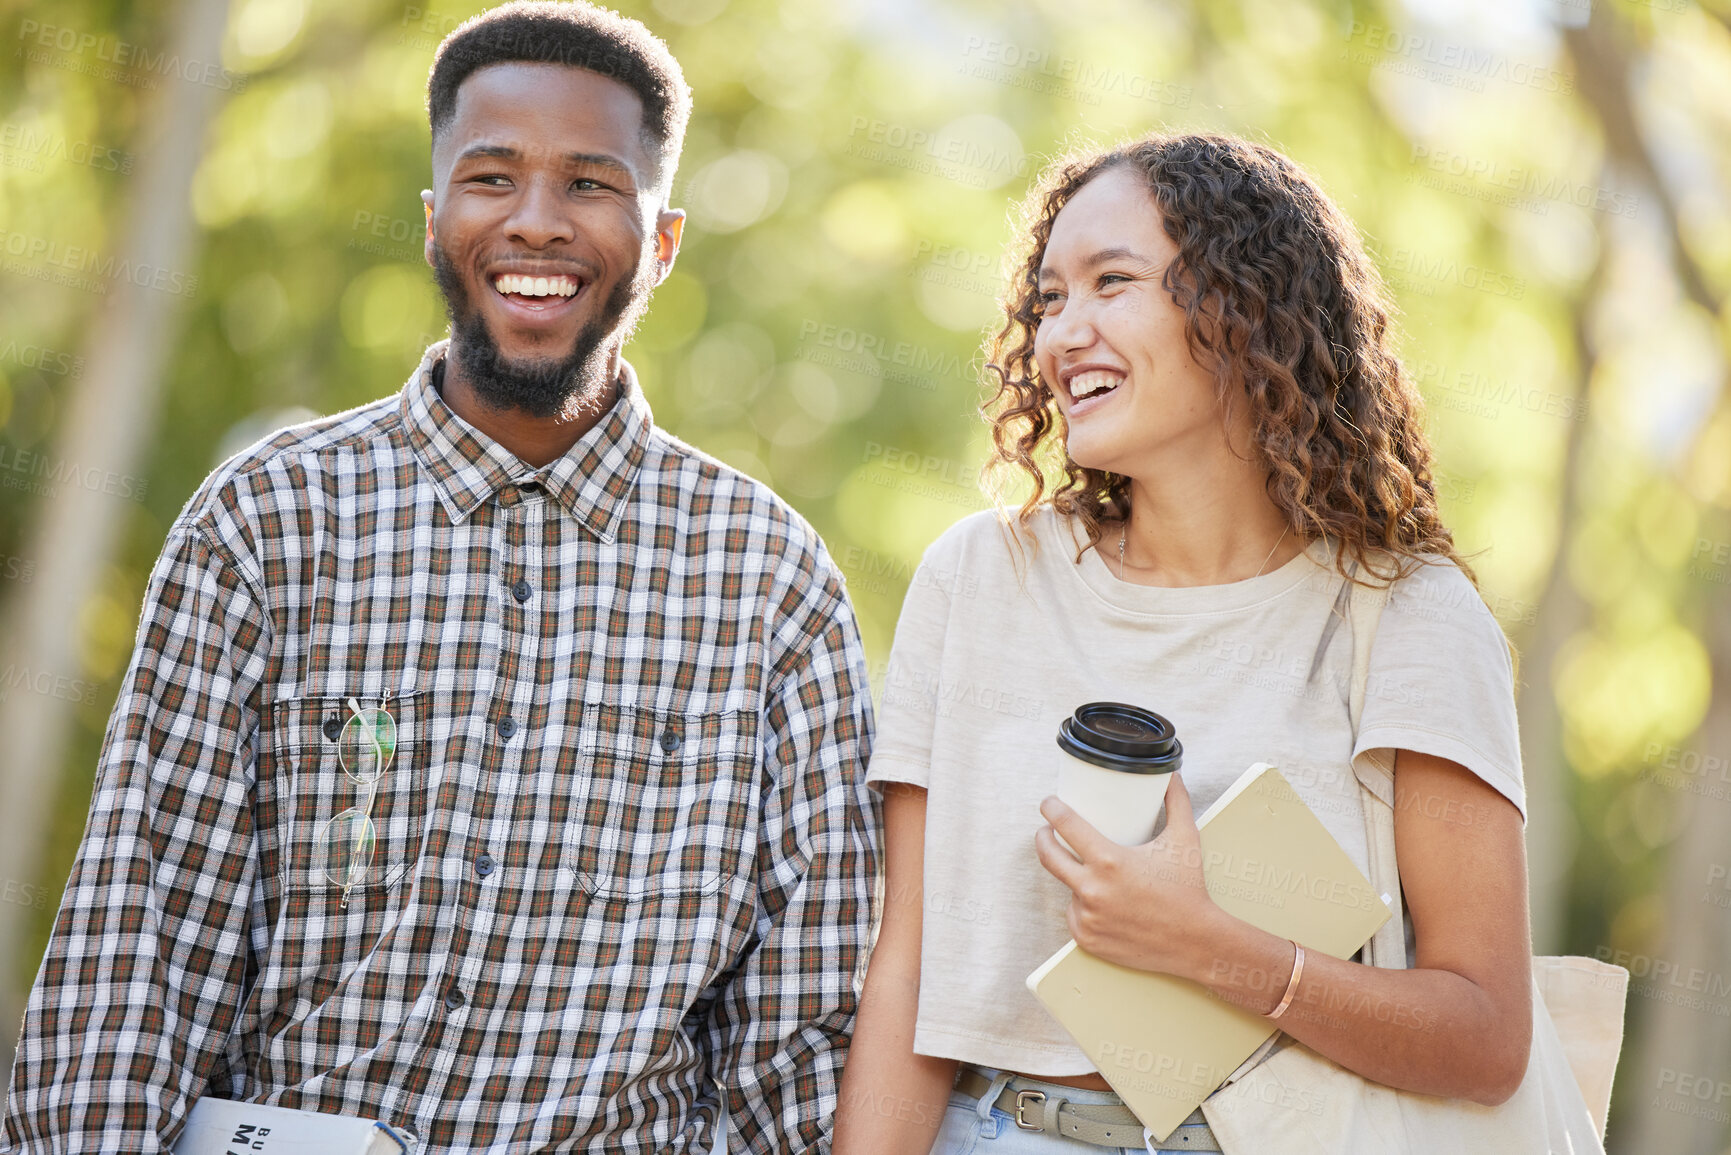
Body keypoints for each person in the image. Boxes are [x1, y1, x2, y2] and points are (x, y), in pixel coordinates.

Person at [1, 4, 878, 1152]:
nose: (536, 223)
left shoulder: (771, 583)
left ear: (661, 241)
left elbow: (803, 1038)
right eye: (493, 177)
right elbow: (135, 965)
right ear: (433, 223)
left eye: (590, 185)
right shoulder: (268, 522)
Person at [833, 132, 1531, 1155]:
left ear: (1248, 309)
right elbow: (908, 970)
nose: (1062, 334)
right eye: (1047, 300)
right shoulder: (982, 576)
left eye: (1111, 282)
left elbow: (1483, 1038)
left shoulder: (1406, 616)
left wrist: (1211, 949)